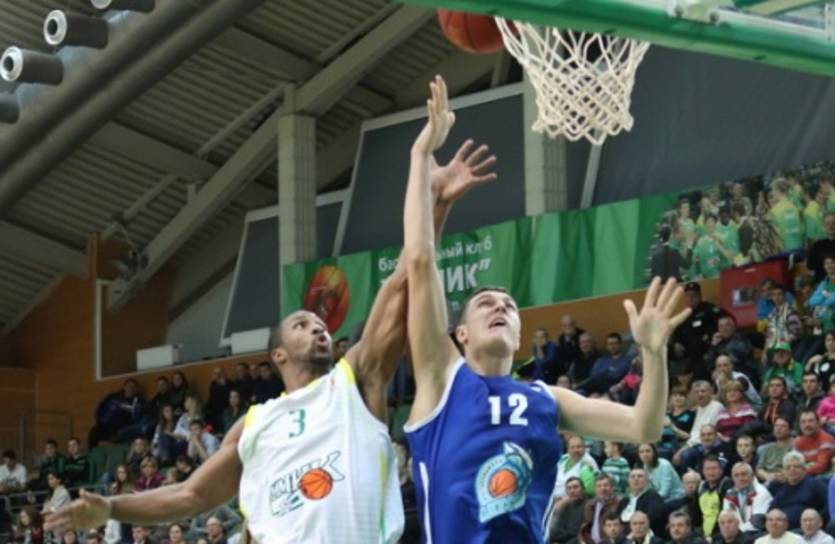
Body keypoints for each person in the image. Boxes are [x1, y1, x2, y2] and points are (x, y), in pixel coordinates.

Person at [45, 82, 490, 543]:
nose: (318, 327)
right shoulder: (255, 425)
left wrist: (434, 203)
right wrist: (111, 507)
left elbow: (404, 280)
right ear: (278, 354)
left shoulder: (356, 380)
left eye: (320, 324)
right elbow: (190, 495)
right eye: (302, 324)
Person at [401, 74, 690, 544]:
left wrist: (653, 354)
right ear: (461, 335)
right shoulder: (441, 380)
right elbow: (419, 259)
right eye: (485, 304)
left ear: (519, 336)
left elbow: (645, 425)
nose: (499, 307)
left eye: (509, 306)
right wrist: (419, 157)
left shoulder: (546, 399)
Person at [673, 282, 722, 380]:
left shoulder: (709, 309)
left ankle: (690, 373)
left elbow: (721, 322)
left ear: (700, 296)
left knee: (697, 343)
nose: (691, 298)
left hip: (705, 346)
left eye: (693, 295)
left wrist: (709, 334)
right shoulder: (685, 314)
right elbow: (677, 330)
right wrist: (676, 342)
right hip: (687, 349)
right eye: (688, 295)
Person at [768, 452, 828, 529]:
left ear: (804, 469)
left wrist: (819, 521)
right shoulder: (780, 488)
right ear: (784, 471)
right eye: (788, 467)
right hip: (780, 529)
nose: (792, 470)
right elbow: (771, 511)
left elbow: (829, 505)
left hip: (806, 529)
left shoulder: (815, 484)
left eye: (796, 466)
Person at [723, 462, 772, 535]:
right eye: (736, 475)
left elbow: (757, 523)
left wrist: (737, 533)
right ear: (733, 478)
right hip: (737, 534)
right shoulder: (729, 494)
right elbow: (726, 518)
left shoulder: (761, 493)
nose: (740, 478)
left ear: (752, 475)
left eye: (744, 474)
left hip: (757, 533)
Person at [618, 469, 666, 538]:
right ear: (628, 481)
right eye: (632, 477)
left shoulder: (653, 497)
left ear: (647, 481)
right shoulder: (624, 501)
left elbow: (654, 518)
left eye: (640, 476)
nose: (636, 479)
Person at [697, 455, 733, 539]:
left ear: (720, 470)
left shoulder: (726, 485)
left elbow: (725, 513)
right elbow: (696, 515)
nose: (711, 472)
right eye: (707, 469)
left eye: (714, 469)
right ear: (703, 471)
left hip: (720, 533)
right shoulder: (701, 487)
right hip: (702, 534)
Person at [579, 474, 620, 544]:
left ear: (612, 487)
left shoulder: (618, 503)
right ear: (595, 489)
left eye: (605, 485)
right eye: (599, 486)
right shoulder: (589, 505)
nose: (602, 488)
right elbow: (584, 527)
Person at [793, 410, 835, 476]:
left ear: (818, 423)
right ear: (800, 425)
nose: (807, 424)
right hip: (802, 475)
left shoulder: (826, 439)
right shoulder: (798, 442)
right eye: (803, 422)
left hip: (823, 477)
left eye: (811, 421)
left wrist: (797, 473)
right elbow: (792, 463)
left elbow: (821, 467)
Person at [549, 477, 586, 544]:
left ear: (583, 489)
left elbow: (578, 532)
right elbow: (555, 532)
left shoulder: (588, 506)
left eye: (575, 487)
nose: (572, 491)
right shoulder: (566, 507)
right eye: (569, 488)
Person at [755, 418, 793, 484]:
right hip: (768, 480)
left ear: (790, 430)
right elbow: (759, 469)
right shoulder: (768, 448)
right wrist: (766, 475)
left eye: (783, 426)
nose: (778, 428)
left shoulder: (794, 446)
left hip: (786, 480)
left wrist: (782, 474)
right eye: (776, 426)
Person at [806, 214, 835, 283]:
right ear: (824, 226)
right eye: (827, 224)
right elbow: (810, 265)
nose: (830, 226)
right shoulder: (817, 245)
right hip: (822, 282)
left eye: (834, 223)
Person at [205, 368, 232, 432]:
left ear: (224, 374)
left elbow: (227, 400)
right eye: (216, 374)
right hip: (214, 411)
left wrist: (224, 386)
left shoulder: (229, 384)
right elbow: (210, 399)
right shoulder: (213, 385)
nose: (218, 376)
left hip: (225, 410)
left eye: (220, 374)